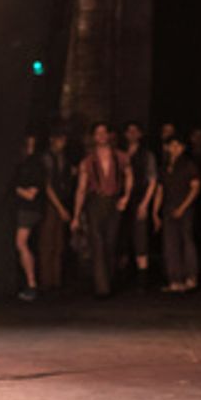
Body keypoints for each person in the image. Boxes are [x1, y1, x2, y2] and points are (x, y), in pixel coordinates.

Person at [72, 121, 134, 298]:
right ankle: (102, 287)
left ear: (108, 135)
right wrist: (76, 215)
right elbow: (81, 188)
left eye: (103, 132)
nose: (100, 136)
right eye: (97, 133)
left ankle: (109, 280)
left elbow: (129, 176)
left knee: (110, 242)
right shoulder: (88, 161)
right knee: (97, 243)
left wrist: (126, 197)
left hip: (114, 201)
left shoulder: (120, 157)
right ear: (93, 137)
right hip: (95, 202)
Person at [154, 135, 201, 292]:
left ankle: (191, 277)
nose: (174, 149)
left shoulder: (188, 165)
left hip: (185, 207)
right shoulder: (165, 167)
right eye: (171, 146)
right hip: (169, 207)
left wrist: (183, 207)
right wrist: (155, 212)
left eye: (177, 146)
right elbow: (160, 190)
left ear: (182, 148)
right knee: (170, 243)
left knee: (187, 241)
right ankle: (175, 278)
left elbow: (195, 187)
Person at [120, 121, 158, 289]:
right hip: (121, 201)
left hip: (139, 198)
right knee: (122, 236)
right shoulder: (120, 154)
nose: (132, 134)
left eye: (135, 131)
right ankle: (124, 274)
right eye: (129, 131)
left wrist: (144, 204)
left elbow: (152, 181)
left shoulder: (146, 155)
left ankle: (142, 280)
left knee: (140, 238)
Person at [37, 127, 74, 293]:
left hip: (61, 201)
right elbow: (47, 185)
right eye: (60, 139)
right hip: (51, 204)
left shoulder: (62, 158)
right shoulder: (47, 158)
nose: (63, 143)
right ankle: (47, 280)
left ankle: (55, 280)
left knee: (58, 243)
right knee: (48, 242)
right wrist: (59, 208)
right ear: (53, 139)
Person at [12, 133, 45, 301]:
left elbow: (31, 194)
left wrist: (14, 188)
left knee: (21, 243)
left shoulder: (34, 165)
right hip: (24, 209)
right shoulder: (23, 163)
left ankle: (32, 283)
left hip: (29, 209)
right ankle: (30, 283)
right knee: (22, 244)